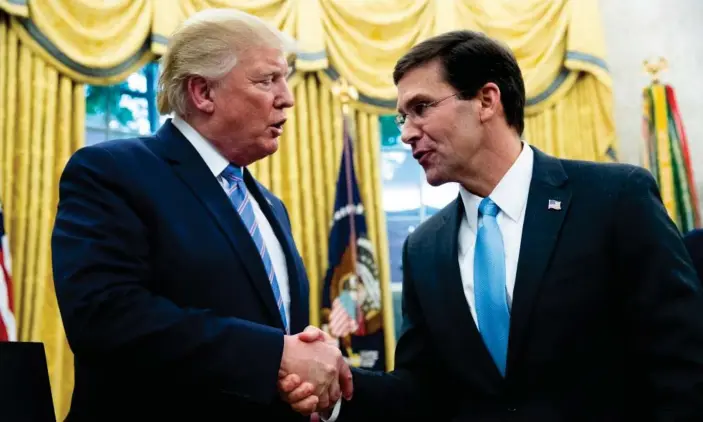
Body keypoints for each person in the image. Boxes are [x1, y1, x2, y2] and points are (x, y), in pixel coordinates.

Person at [280, 30, 703, 421]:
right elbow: (421, 390)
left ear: (486, 100)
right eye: (402, 118)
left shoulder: (615, 198)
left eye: (421, 108)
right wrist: (336, 387)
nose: (407, 133)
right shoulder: (425, 248)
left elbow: (682, 360)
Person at [51, 9, 351, 421]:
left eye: (286, 78)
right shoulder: (111, 171)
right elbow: (105, 318)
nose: (287, 97)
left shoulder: (271, 206)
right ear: (202, 93)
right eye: (267, 80)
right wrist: (274, 355)